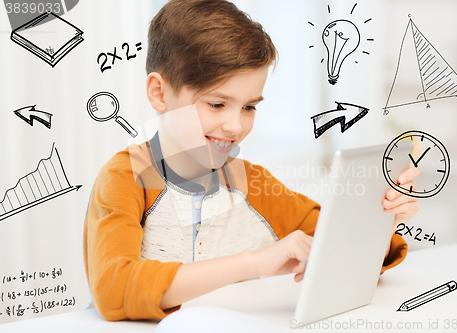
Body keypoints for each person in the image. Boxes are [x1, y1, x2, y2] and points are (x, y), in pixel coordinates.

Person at [83, 0, 419, 321]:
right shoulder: (125, 177)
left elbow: (340, 248)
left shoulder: (254, 185)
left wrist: (384, 215)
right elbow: (114, 289)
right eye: (216, 104)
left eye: (249, 107)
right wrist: (256, 263)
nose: (235, 125)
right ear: (159, 93)